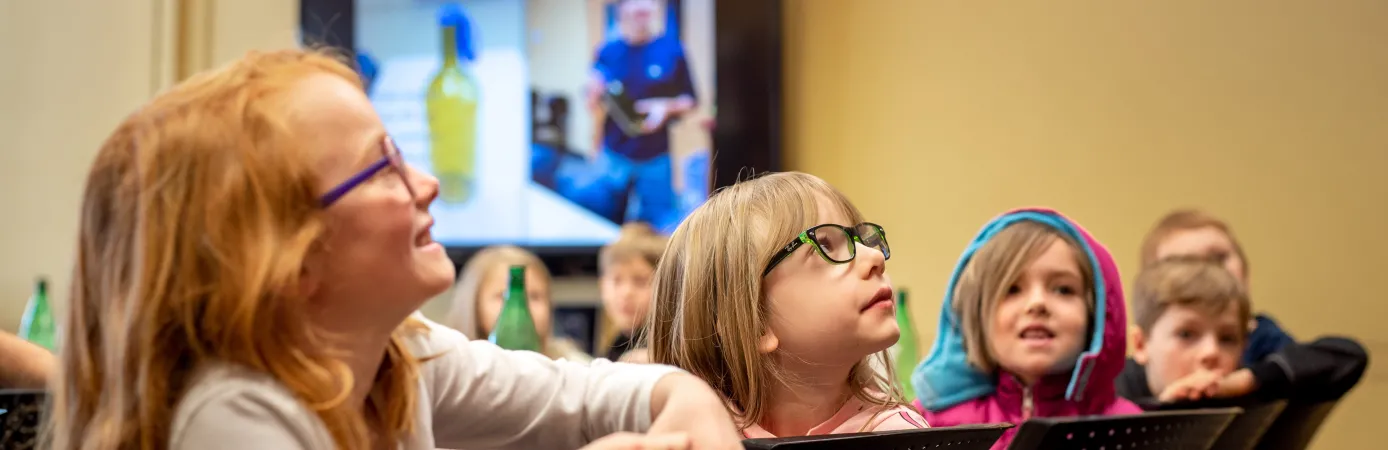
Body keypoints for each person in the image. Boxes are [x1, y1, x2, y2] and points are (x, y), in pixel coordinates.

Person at [45, 48, 741, 450]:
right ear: (287, 256)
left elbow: (576, 392)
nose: (429, 183)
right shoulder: (231, 414)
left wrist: (680, 394)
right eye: (383, 168)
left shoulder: (398, 358)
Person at [644, 172, 927, 438]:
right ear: (755, 324)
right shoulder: (697, 434)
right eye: (825, 245)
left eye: (861, 239)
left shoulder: (896, 435)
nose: (874, 257)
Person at [911, 209, 1141, 450]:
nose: (1037, 303)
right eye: (1012, 289)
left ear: (1096, 315)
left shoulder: (1131, 431)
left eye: (1063, 289)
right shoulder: (927, 425)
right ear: (978, 317)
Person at [1117, 256, 1368, 406]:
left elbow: (1350, 357)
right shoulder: (1110, 391)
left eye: (1228, 339)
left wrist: (1251, 379)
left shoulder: (1242, 388)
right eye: (1186, 334)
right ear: (1140, 344)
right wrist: (1164, 412)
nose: (1211, 352)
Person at [585, 0, 698, 233]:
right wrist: (593, 94)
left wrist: (664, 107)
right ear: (621, 10)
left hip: (656, 156)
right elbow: (593, 105)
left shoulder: (672, 51)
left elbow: (690, 100)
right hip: (615, 155)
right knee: (604, 223)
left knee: (658, 228)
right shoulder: (607, 52)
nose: (641, 9)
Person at [443, 246, 592, 362]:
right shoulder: (453, 363)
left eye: (534, 296)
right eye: (504, 296)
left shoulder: (571, 363)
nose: (522, 307)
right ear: (474, 305)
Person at [599, 222, 666, 362]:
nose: (626, 293)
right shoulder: (617, 345)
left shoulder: (663, 353)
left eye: (640, 281)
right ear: (602, 286)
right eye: (617, 280)